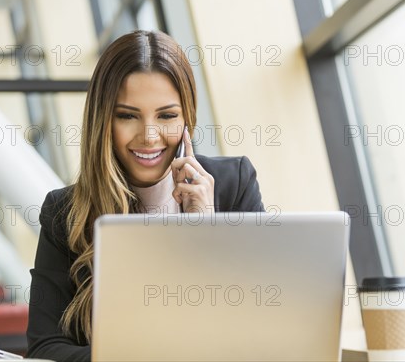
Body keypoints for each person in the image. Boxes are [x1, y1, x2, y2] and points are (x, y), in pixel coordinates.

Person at [26, 30, 264, 361]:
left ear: (187, 119)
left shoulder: (233, 184)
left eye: (166, 116)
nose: (149, 137)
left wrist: (208, 234)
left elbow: (261, 327)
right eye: (127, 116)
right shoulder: (64, 212)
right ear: (103, 120)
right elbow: (45, 350)